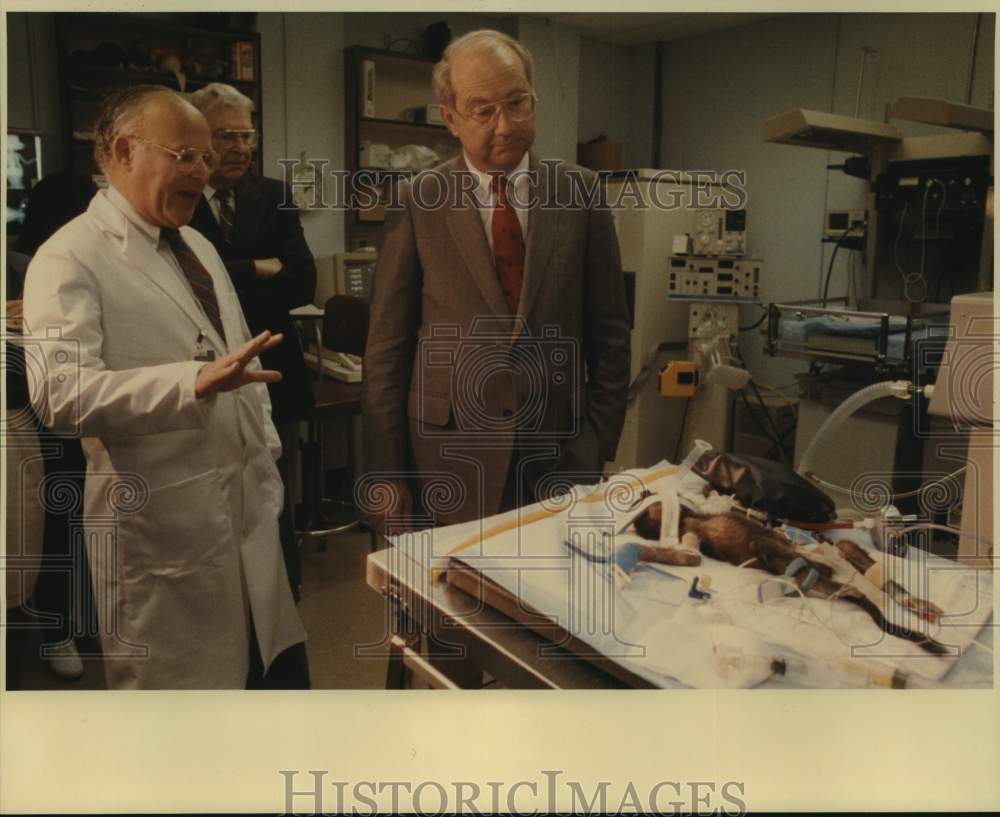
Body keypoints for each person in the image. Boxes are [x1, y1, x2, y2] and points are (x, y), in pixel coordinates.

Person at [22, 85, 307, 689]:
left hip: (248, 507)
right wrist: (189, 383)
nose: (204, 175)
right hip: (159, 530)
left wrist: (269, 457)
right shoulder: (68, 258)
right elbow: (60, 396)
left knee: (268, 689)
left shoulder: (196, 244)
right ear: (124, 151)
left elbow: (237, 359)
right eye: (187, 157)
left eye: (206, 158)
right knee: (179, 727)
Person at [363, 29, 630, 529]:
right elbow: (386, 345)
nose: (504, 125)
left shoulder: (581, 192)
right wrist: (385, 468)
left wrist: (594, 444)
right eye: (483, 110)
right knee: (449, 599)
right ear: (451, 118)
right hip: (445, 454)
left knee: (547, 602)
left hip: (557, 451)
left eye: (517, 103)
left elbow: (611, 336)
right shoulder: (419, 198)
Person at [186, 82, 316, 602]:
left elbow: (302, 281)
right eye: (226, 135)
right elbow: (190, 280)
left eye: (246, 135)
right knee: (215, 492)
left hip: (272, 363)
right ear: (198, 138)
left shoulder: (273, 195)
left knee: (273, 487)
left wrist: (233, 273)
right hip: (201, 368)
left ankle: (284, 588)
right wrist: (256, 267)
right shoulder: (181, 197)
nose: (240, 147)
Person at [14, 170, 98, 683]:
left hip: (80, 411)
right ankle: (56, 628)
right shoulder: (29, 266)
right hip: (30, 416)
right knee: (50, 525)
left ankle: (75, 621)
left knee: (75, 521)